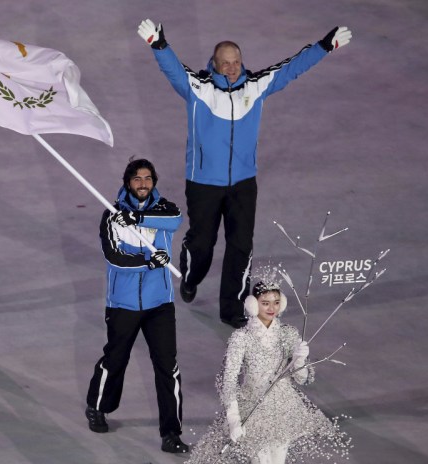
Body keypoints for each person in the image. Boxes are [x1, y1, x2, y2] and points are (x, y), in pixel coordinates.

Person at [137, 20, 352, 328]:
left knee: (241, 246)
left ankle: (233, 308)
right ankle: (191, 272)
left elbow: (291, 68)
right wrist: (159, 45)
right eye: (225, 63)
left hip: (243, 184)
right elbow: (173, 69)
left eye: (236, 62)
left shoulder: (256, 85)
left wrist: (324, 46)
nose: (232, 68)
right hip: (203, 183)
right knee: (203, 244)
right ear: (214, 64)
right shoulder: (198, 88)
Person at [84, 159, 189, 454]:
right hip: (123, 304)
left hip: (160, 305)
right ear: (128, 182)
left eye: (148, 179)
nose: (143, 184)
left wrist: (138, 220)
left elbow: (176, 219)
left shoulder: (164, 209)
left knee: (168, 368)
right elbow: (113, 258)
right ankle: (97, 406)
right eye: (137, 179)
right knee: (115, 358)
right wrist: (147, 262)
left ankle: (171, 433)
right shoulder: (110, 215)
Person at [185, 279, 351, 463]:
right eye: (265, 303)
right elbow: (229, 380)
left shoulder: (288, 333)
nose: (272, 308)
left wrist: (300, 360)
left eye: (276, 302)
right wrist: (234, 419)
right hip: (253, 407)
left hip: (284, 407)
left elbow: (301, 379)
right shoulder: (241, 338)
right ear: (253, 305)